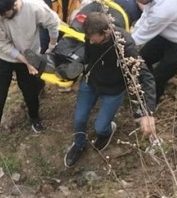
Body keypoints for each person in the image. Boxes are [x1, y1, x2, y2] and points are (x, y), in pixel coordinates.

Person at [63, 10, 157, 168]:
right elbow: (88, 55)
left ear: (106, 32)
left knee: (100, 128)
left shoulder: (125, 46)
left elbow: (146, 76)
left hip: (113, 89)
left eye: (94, 39)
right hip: (91, 82)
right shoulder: (90, 35)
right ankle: (79, 145)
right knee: (79, 120)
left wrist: (148, 112)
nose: (90, 42)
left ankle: (107, 131)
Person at [0, 0, 59, 151]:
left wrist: (51, 46)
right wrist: (26, 62)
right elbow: (2, 44)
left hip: (30, 52)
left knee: (30, 92)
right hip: (2, 57)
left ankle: (34, 117)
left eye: (5, 14)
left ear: (14, 5)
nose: (2, 17)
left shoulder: (35, 7)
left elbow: (53, 23)